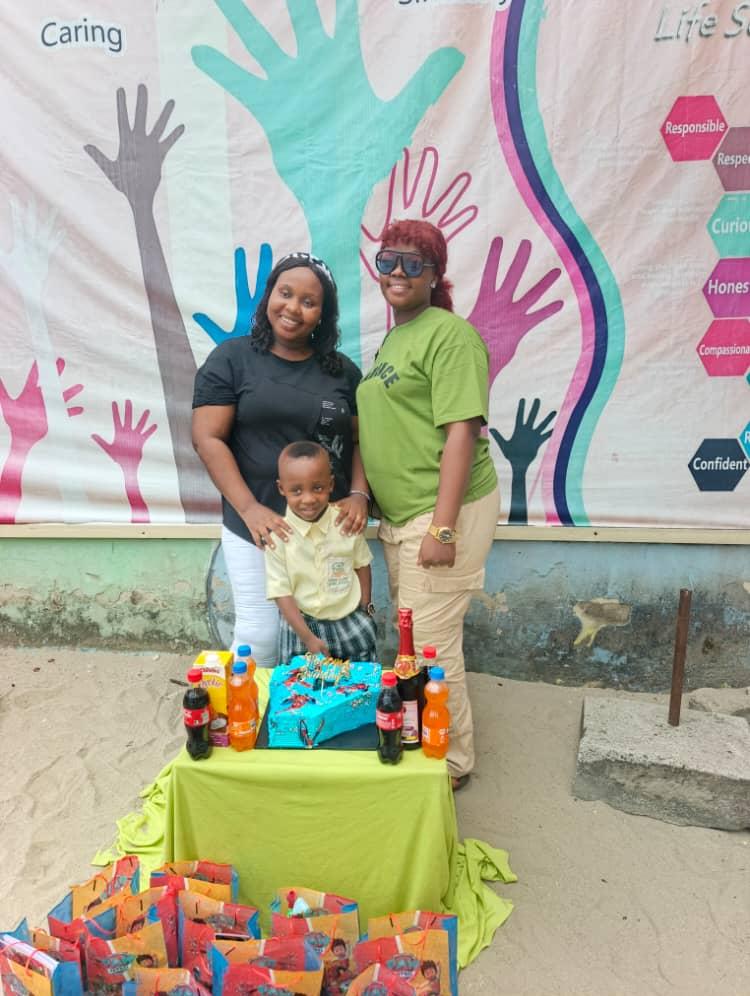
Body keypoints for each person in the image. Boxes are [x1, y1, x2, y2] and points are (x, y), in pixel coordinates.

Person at [357, 219, 500, 791]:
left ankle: (452, 761)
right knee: (415, 639)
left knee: (434, 647)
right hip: (403, 515)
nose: (398, 272)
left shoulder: (450, 335)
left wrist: (442, 528)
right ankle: (429, 740)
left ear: (434, 275)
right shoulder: (399, 335)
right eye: (389, 260)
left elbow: (462, 431)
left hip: (442, 512)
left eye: (414, 264)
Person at [192, 253, 370, 666]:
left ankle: (314, 718)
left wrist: (360, 493)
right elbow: (207, 438)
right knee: (261, 634)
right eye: (285, 293)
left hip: (326, 528)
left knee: (331, 626)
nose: (293, 308)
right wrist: (250, 508)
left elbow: (361, 442)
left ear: (323, 315)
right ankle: (245, 721)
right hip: (258, 524)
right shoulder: (232, 360)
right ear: (269, 295)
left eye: (309, 301)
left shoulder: (343, 373)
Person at [264, 441, 376, 662]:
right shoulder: (278, 536)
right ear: (281, 489)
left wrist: (365, 607)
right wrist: (307, 637)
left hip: (350, 621)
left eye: (317, 488)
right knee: (302, 690)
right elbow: (281, 593)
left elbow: (362, 564)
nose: (308, 499)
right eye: (296, 490)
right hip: (302, 627)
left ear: (331, 484)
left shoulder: (345, 522)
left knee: (358, 684)